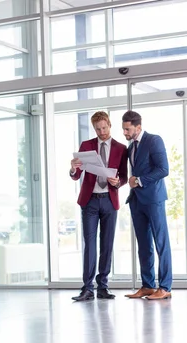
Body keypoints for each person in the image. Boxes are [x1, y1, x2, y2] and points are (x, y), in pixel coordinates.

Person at [70, 111, 128, 301]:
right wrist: (73, 168)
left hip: (110, 200)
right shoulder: (86, 146)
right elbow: (76, 175)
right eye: (98, 129)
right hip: (90, 200)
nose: (102, 132)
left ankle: (102, 286)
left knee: (107, 244)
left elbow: (124, 176)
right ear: (94, 128)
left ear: (109, 125)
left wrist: (117, 182)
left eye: (104, 127)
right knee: (89, 245)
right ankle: (87, 288)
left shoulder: (120, 148)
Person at [122, 110, 172, 300]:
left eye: (128, 129)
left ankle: (165, 287)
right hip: (136, 201)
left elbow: (163, 169)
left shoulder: (154, 140)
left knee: (161, 243)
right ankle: (148, 285)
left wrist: (140, 180)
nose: (125, 133)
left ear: (138, 127)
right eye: (124, 129)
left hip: (153, 199)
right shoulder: (131, 147)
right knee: (144, 245)